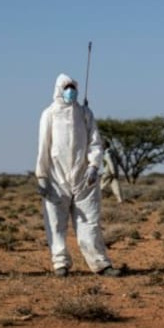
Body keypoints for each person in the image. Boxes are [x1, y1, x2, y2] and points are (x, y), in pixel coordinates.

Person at [35, 74, 121, 277]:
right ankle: (60, 264)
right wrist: (42, 176)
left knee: (90, 222)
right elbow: (44, 147)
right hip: (57, 177)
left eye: (73, 87)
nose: (70, 91)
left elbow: (95, 142)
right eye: (66, 87)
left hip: (84, 177)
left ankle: (100, 264)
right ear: (58, 89)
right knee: (56, 223)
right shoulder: (49, 114)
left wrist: (93, 165)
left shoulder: (84, 113)